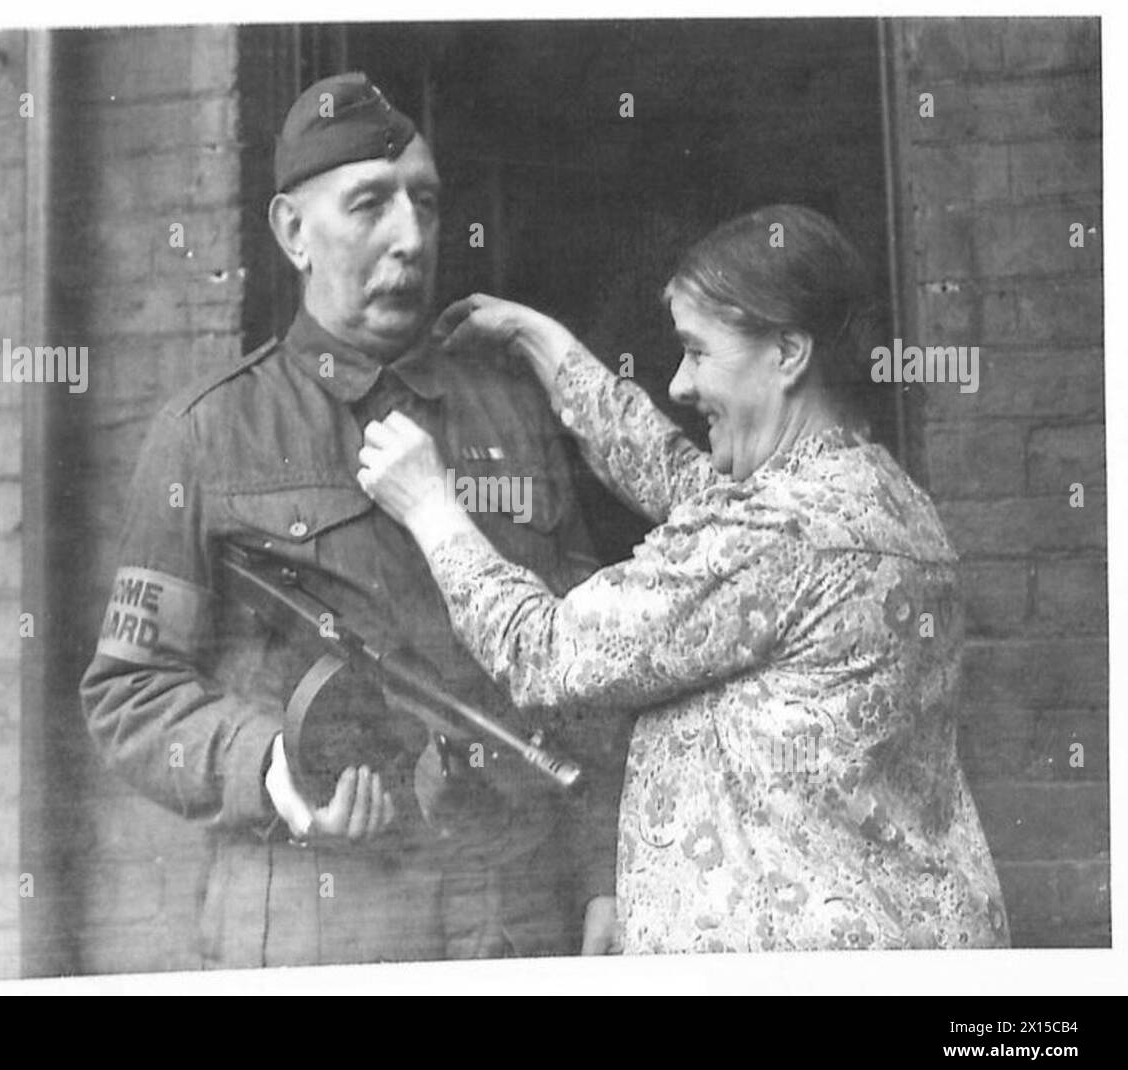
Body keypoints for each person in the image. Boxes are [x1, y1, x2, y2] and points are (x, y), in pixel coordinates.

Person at [358, 204, 1011, 953]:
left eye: (697, 352)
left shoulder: (778, 534)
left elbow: (544, 651)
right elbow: (690, 483)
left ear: (788, 353)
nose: (677, 382)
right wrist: (543, 343)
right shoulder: (875, 494)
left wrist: (431, 506)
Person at [79, 72, 625, 966]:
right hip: (323, 918)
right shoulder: (209, 433)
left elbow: (591, 665)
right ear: (293, 232)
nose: (410, 238)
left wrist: (604, 872)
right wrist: (273, 769)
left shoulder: (513, 413)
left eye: (427, 203)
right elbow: (128, 694)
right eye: (369, 204)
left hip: (512, 920)